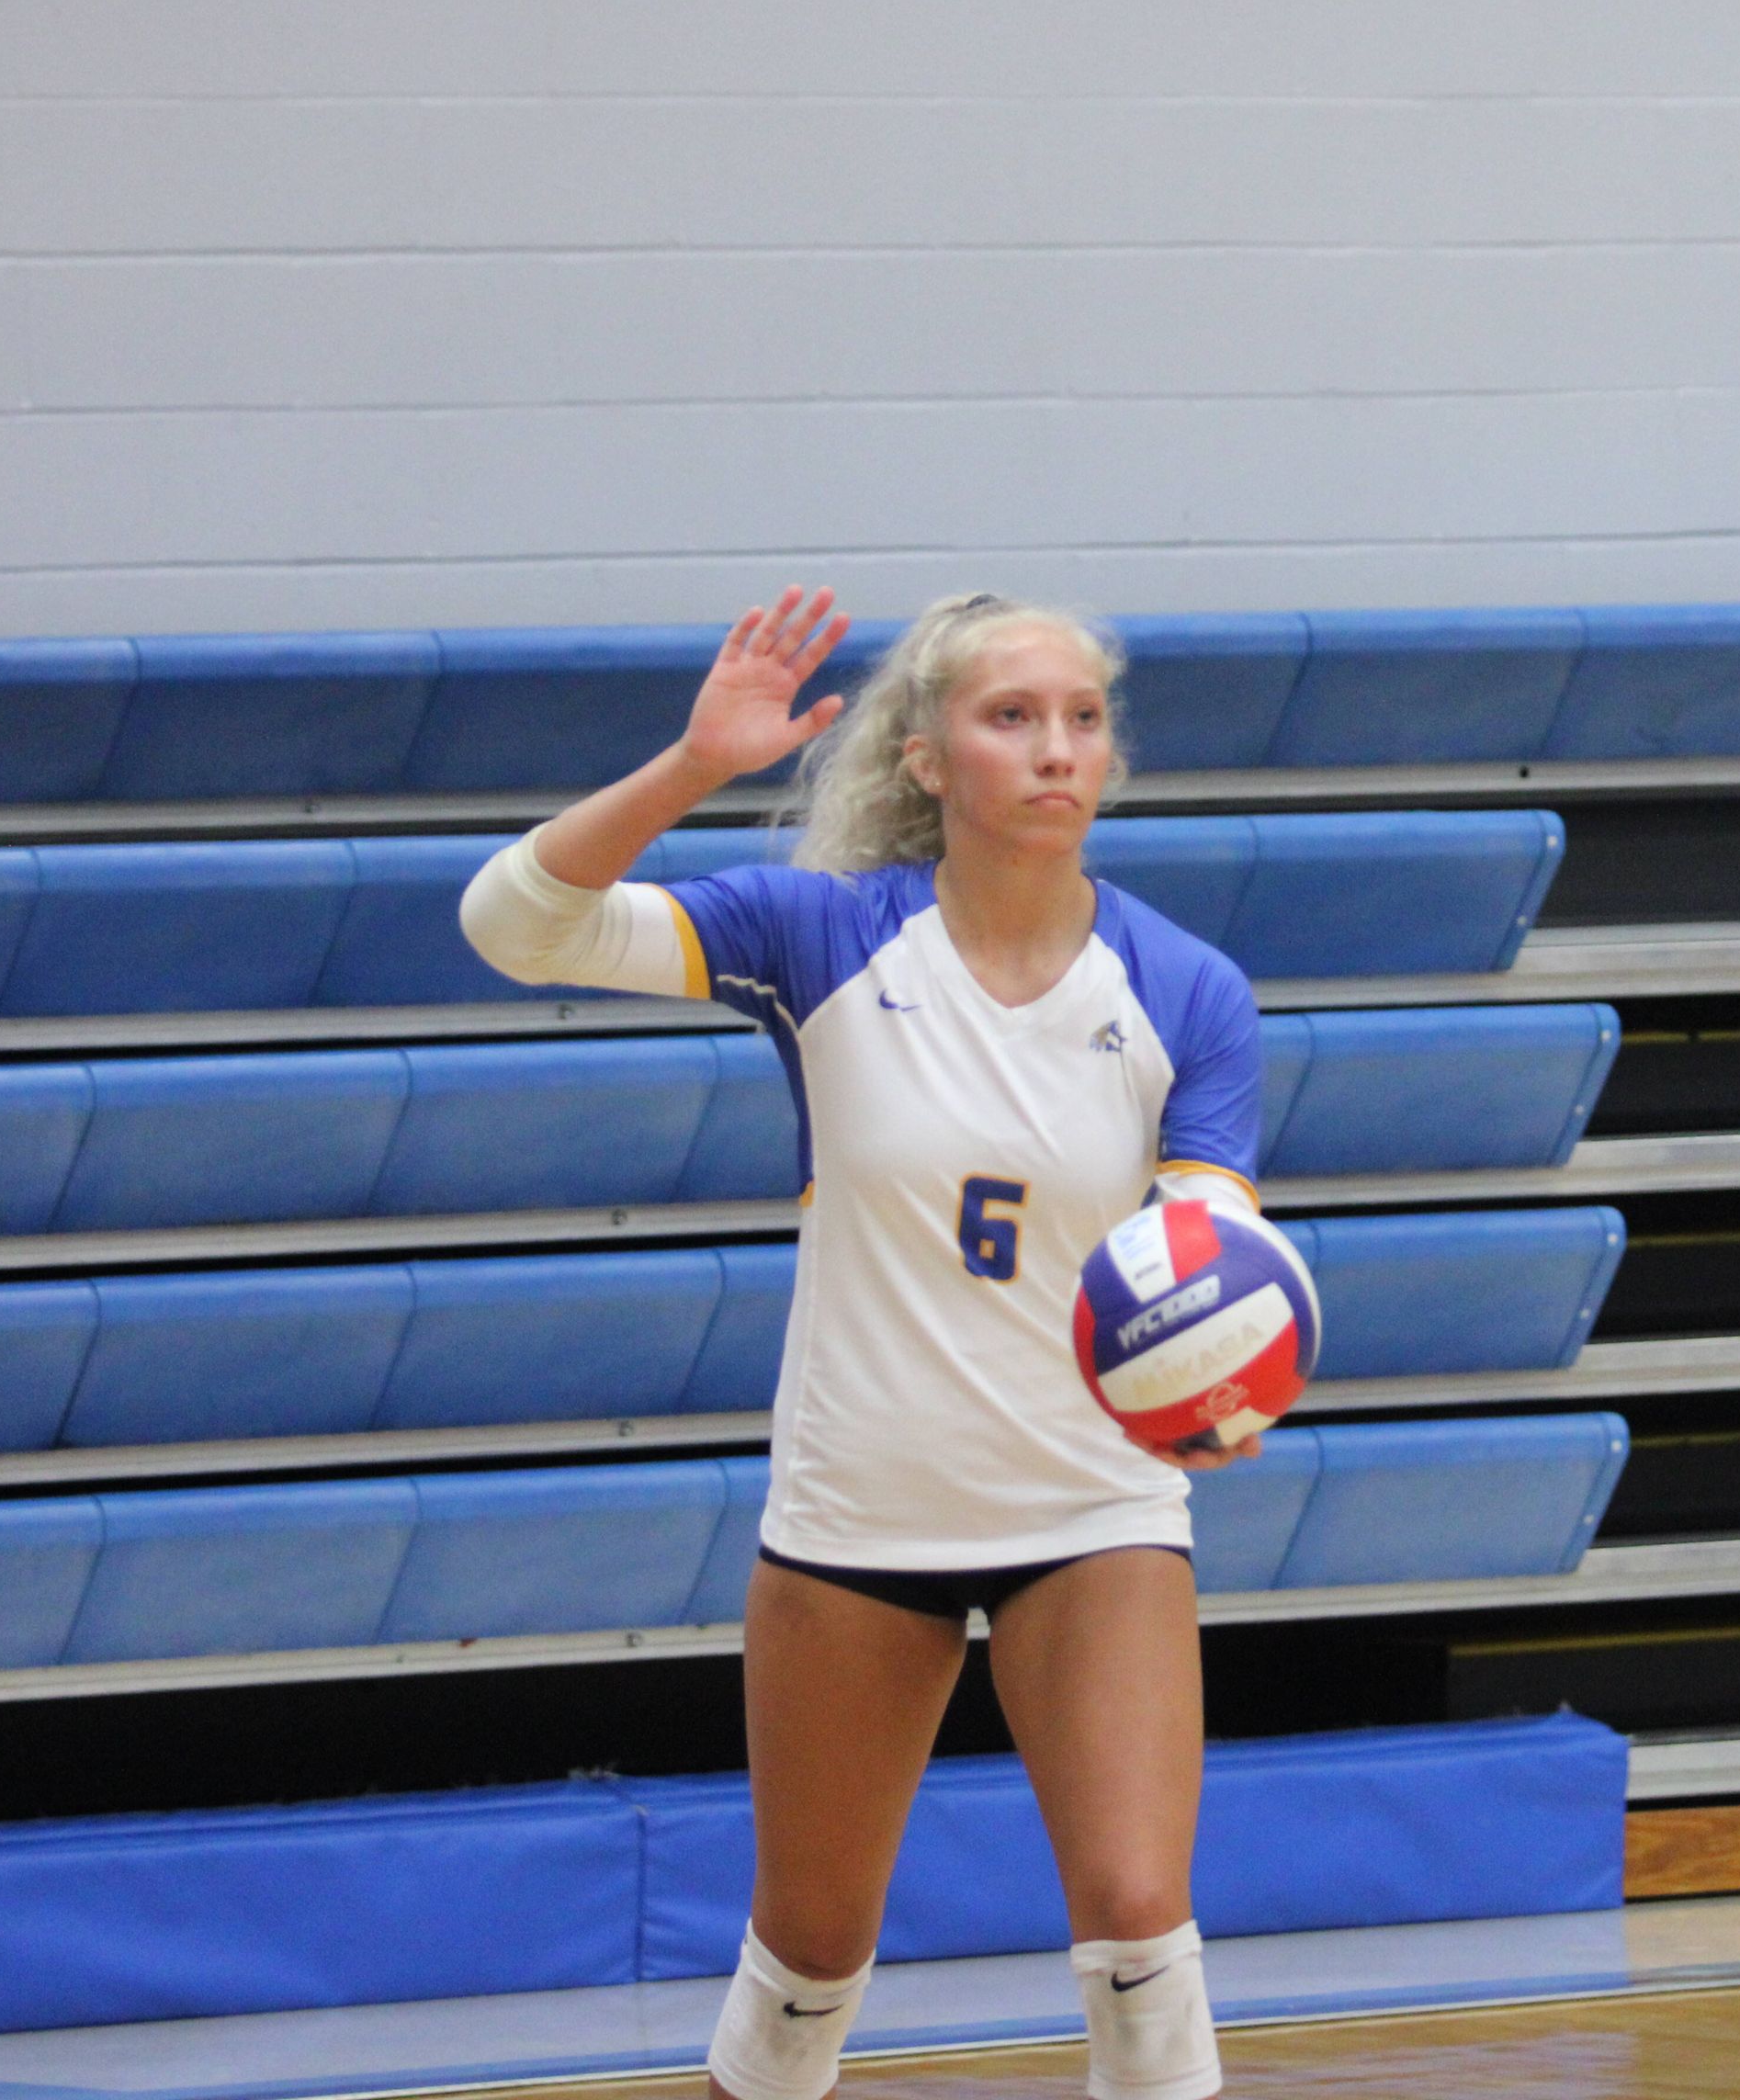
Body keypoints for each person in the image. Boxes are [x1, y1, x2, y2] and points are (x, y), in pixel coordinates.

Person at [458, 587, 1258, 2100]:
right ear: (923, 758)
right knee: (808, 1960)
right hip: (854, 1522)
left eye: (1082, 719)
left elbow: (1204, 1263)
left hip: (1092, 1515)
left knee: (1146, 1935)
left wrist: (1229, 1361)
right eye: (1010, 718)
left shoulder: (1187, 994)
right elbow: (512, 924)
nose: (1055, 750)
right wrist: (695, 764)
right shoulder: (817, 938)